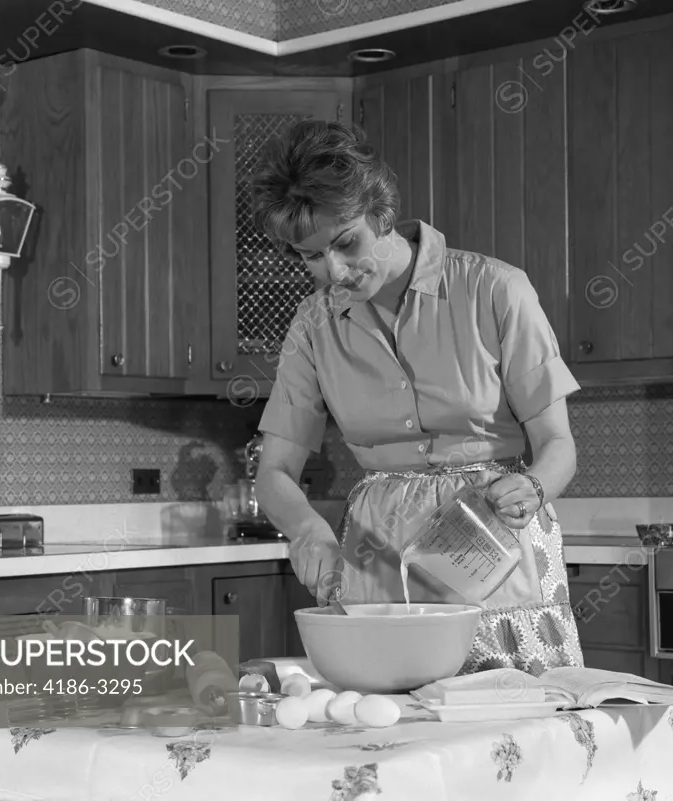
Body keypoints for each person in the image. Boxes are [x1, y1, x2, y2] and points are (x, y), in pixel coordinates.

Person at [250, 120, 583, 675]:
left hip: (493, 542)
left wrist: (533, 485)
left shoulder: (495, 289)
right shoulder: (312, 326)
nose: (332, 271)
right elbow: (274, 472)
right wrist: (308, 530)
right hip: (373, 555)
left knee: (508, 726)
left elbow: (558, 445)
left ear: (381, 214)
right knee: (385, 733)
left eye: (345, 243)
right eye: (309, 257)